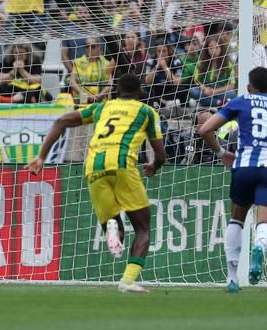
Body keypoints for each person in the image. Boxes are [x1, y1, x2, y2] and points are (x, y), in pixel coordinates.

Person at [28, 74, 166, 293]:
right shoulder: (146, 111)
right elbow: (161, 154)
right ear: (140, 92)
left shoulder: (102, 108)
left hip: (93, 166)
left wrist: (41, 157)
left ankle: (111, 228)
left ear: (116, 90)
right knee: (142, 229)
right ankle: (127, 280)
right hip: (122, 164)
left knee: (115, 226)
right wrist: (154, 165)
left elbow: (61, 121)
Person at [198, 67, 267, 291]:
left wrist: (220, 153)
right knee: (265, 223)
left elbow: (205, 128)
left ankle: (233, 278)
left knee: (237, 220)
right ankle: (259, 246)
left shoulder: (242, 101)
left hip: (244, 167)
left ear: (248, 86)